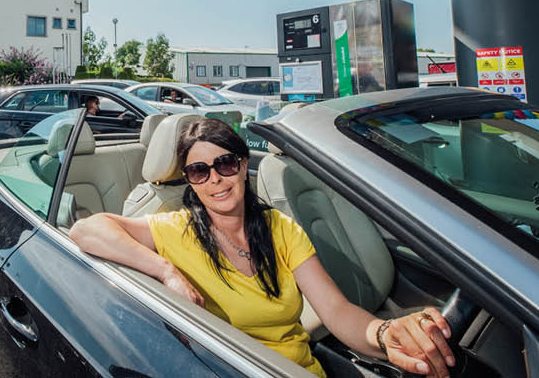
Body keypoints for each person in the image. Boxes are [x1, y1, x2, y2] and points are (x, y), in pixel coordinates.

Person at [70, 118, 455, 378]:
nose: (215, 180)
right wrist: (166, 271)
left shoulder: (281, 229)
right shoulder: (178, 229)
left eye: (225, 164)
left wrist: (386, 332)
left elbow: (337, 312)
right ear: (189, 180)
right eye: (199, 171)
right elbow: (87, 230)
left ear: (242, 164)